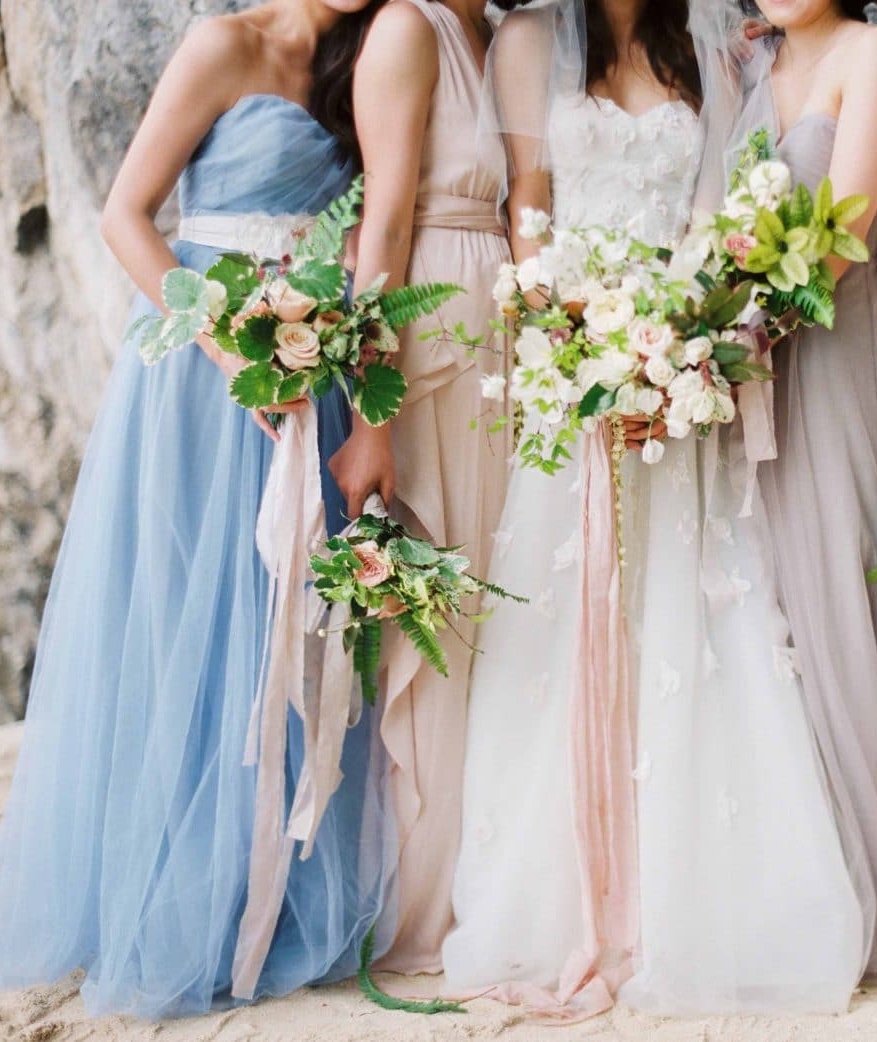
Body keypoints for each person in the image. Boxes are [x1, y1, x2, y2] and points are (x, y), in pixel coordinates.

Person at [442, 0, 865, 1018]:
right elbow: (527, 214)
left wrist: (675, 347)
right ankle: (563, 900)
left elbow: (714, 221)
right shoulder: (528, 42)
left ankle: (692, 901)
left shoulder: (711, 48)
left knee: (691, 615)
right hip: (572, 369)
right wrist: (575, 349)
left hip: (673, 370)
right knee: (560, 622)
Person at [0, 0, 396, 1018]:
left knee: (278, 622)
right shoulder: (225, 43)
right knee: (181, 614)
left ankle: (262, 891)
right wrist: (228, 352)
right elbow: (126, 215)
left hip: (310, 366)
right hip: (201, 364)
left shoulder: (368, 59)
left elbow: (373, 233)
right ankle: (161, 897)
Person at [740, 0, 877, 976]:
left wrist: (742, 320)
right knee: (761, 591)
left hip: (831, 348)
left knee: (835, 574)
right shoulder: (746, 67)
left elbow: (846, 232)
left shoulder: (872, 52)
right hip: (739, 369)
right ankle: (781, 869)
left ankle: (863, 884)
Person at [330, 0, 510, 974]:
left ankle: (484, 881)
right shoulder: (408, 25)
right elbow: (386, 218)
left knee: (484, 612)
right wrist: (371, 415)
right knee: (438, 611)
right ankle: (419, 901)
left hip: (499, 335)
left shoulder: (498, 30)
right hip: (431, 327)